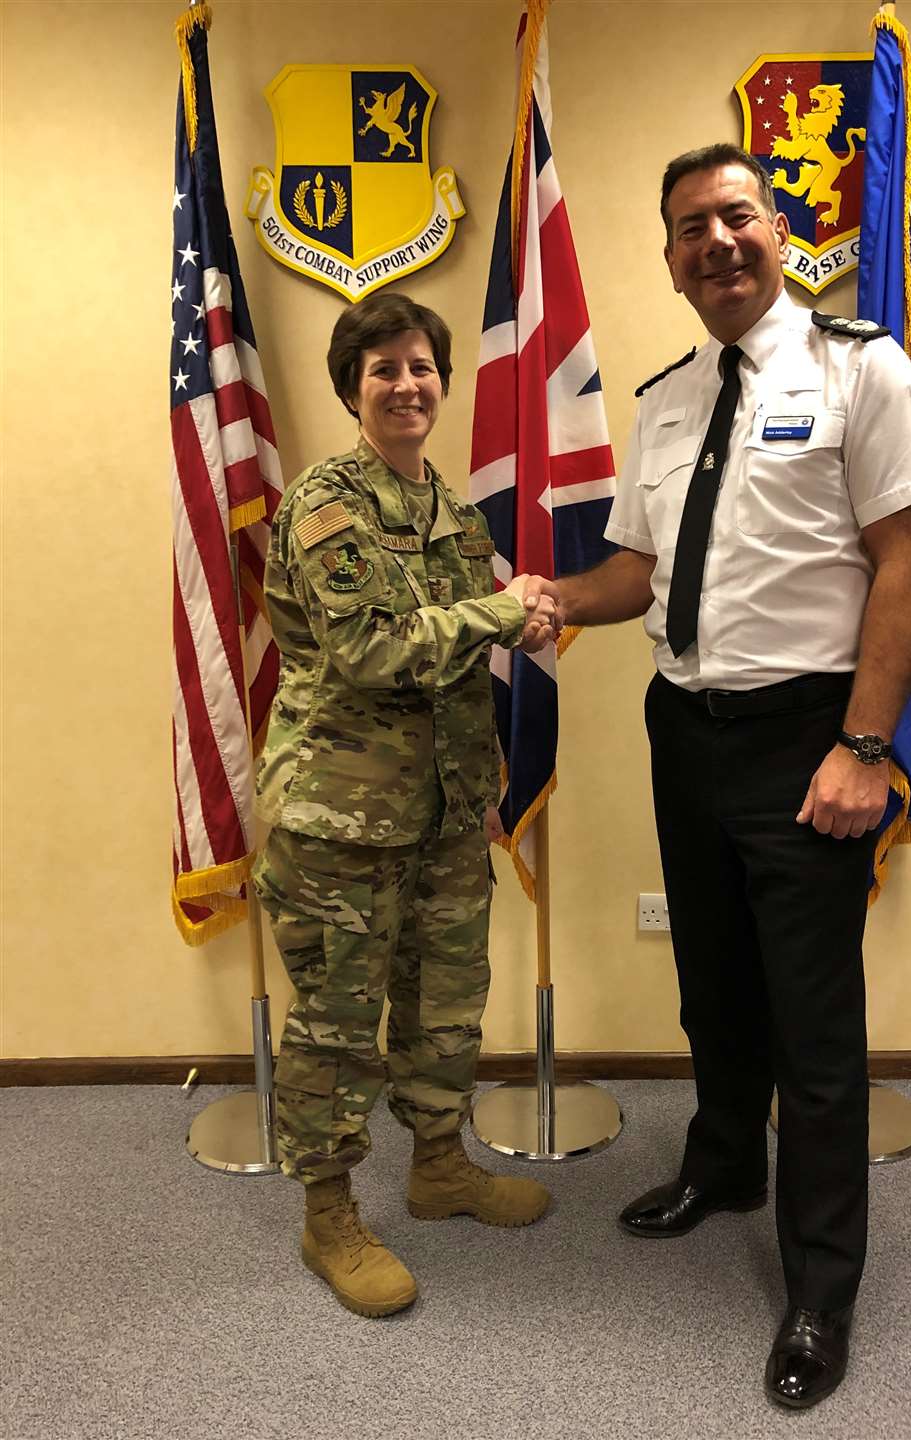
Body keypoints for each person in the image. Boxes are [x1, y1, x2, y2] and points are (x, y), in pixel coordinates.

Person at [524, 143, 911, 1408]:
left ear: (779, 231)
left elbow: (908, 560)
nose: (714, 242)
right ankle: (725, 1163)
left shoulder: (860, 368)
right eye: (688, 228)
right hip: (686, 728)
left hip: (810, 735)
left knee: (814, 1023)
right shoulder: (665, 399)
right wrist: (554, 597)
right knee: (713, 979)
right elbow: (639, 577)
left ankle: (822, 1288)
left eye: (735, 216)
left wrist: (864, 746)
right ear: (667, 259)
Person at [254, 290, 558, 1319]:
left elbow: (463, 672)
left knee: (443, 1007)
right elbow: (371, 649)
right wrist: (502, 611)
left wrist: (478, 794)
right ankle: (330, 1213)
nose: (405, 383)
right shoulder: (325, 505)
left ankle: (439, 1165)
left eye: (420, 365)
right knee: (337, 1025)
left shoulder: (456, 518)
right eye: (382, 368)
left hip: (437, 819)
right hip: (339, 823)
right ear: (353, 388)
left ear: (442, 380)